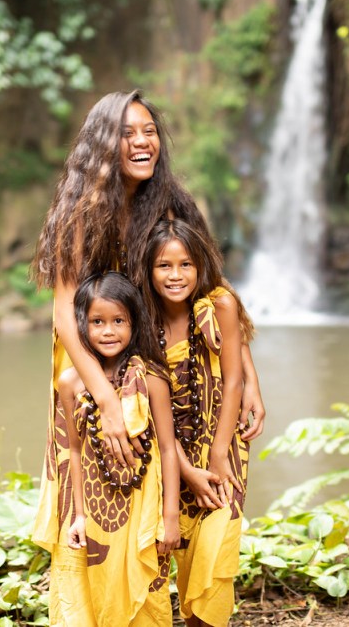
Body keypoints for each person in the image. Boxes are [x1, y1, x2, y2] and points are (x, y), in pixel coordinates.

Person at [30, 89, 265, 621]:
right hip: (95, 358)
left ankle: (185, 598)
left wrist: (248, 376)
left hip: (158, 359)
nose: (142, 142)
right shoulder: (81, 211)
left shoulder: (171, 201)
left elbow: (214, 286)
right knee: (106, 497)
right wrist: (105, 399)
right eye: (127, 132)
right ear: (102, 145)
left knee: (185, 468)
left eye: (149, 130)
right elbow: (65, 316)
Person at [135, 218, 249, 627]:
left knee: (216, 549)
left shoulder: (220, 306)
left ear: (200, 266)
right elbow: (151, 414)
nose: (176, 275)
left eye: (185, 264)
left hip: (222, 443)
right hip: (168, 455)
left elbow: (234, 379)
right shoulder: (142, 323)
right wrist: (185, 470)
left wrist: (219, 455)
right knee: (171, 550)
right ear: (148, 271)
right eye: (164, 265)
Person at [59, 271, 180, 625]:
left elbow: (169, 450)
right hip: (98, 509)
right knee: (100, 591)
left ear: (134, 322)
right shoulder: (70, 383)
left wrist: (169, 518)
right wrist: (79, 515)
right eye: (97, 321)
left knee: (147, 597)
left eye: (118, 321)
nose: (108, 331)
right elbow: (75, 451)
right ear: (82, 324)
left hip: (143, 506)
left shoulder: (152, 377)